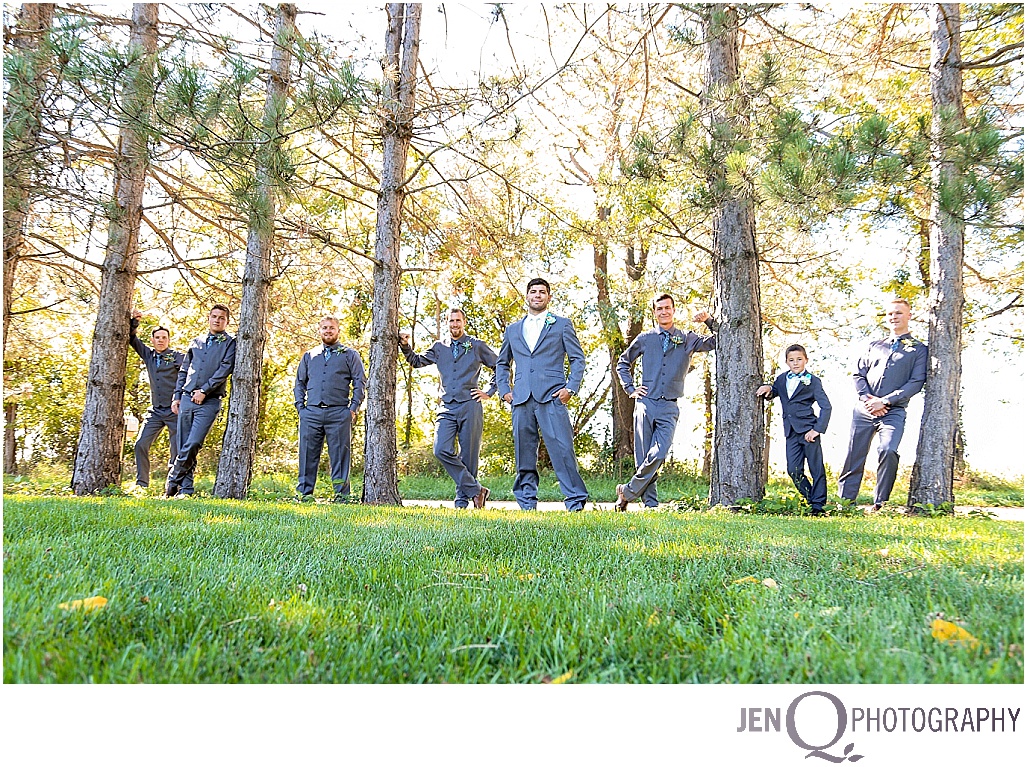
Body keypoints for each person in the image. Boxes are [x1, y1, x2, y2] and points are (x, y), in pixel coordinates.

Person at [615, 294, 716, 510]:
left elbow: (717, 342)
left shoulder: (687, 338)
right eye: (659, 308)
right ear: (654, 312)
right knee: (643, 457)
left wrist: (708, 320)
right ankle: (650, 504)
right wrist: (630, 389)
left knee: (659, 453)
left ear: (673, 310)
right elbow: (623, 362)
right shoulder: (645, 338)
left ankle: (627, 491)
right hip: (645, 403)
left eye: (667, 308)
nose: (664, 312)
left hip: (669, 405)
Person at [496, 278, 589, 511]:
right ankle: (527, 502)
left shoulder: (562, 325)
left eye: (542, 292)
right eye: (533, 291)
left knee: (563, 450)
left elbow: (577, 359)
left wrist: (570, 388)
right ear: (527, 296)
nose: (537, 295)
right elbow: (502, 363)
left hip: (552, 397)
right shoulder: (513, 329)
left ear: (549, 297)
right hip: (521, 399)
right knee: (524, 453)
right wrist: (505, 391)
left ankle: (575, 501)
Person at [399, 308, 498, 509]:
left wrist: (489, 391)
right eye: (451, 321)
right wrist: (405, 345)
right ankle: (477, 490)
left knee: (469, 455)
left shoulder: (477, 345)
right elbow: (417, 362)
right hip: (446, 407)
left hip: (470, 405)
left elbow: (500, 365)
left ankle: (462, 502)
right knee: (441, 449)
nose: (455, 324)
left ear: (464, 322)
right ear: (447, 323)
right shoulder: (439, 347)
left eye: (458, 320)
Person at [838, 298, 928, 509]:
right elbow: (858, 374)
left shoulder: (919, 349)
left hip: (893, 411)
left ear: (909, 316)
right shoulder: (874, 345)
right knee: (854, 454)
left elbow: (916, 382)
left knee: (888, 450)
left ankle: (880, 503)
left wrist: (885, 401)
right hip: (864, 409)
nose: (893, 317)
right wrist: (867, 399)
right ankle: (845, 503)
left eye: (898, 313)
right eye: (890, 314)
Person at [165, 304, 236, 497]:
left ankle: (173, 478)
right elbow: (184, 370)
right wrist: (177, 396)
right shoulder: (196, 342)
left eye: (221, 318)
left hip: (209, 400)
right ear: (209, 318)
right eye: (214, 316)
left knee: (194, 442)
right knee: (184, 445)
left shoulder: (230, 343)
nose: (217, 320)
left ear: (227, 321)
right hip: (186, 398)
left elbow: (225, 369)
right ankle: (185, 489)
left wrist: (204, 390)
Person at [294, 316, 366, 502]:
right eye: (324, 328)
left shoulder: (350, 355)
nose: (328, 331)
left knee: (340, 457)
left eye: (332, 328)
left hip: (339, 413)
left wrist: (353, 408)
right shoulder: (309, 356)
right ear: (319, 331)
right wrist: (301, 408)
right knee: (307, 455)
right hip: (311, 413)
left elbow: (359, 382)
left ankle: (341, 496)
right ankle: (304, 494)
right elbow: (300, 383)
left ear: (338, 331)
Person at [757, 344, 832, 515]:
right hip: (790, 432)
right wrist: (768, 388)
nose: (796, 363)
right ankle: (811, 498)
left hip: (809, 431)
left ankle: (818, 506)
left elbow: (826, 407)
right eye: (791, 360)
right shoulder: (782, 379)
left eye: (799, 359)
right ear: (787, 362)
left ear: (806, 360)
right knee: (793, 470)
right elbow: (775, 391)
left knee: (816, 468)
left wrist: (817, 430)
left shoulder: (813, 381)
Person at [129, 309, 185, 491]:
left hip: (174, 411)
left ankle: (173, 487)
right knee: (140, 444)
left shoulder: (178, 357)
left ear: (168, 340)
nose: (161, 340)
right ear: (152, 340)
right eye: (157, 337)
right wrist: (135, 321)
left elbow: (190, 375)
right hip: (155, 411)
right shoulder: (149, 355)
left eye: (164, 337)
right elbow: (132, 339)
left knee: (176, 450)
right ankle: (142, 484)